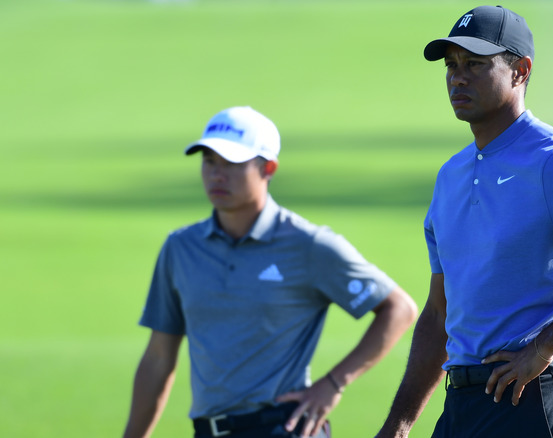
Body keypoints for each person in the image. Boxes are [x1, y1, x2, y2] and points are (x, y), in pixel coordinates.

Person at [376, 5, 553, 438]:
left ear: (519, 71)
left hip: (534, 401)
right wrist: (397, 427)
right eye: (452, 65)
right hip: (464, 407)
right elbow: (440, 314)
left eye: (475, 64)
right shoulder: (451, 175)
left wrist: (544, 345)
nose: (458, 76)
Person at [123, 106, 418, 438]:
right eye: (209, 161)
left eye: (232, 163)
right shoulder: (180, 248)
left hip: (284, 428)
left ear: (268, 168)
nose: (217, 174)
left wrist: (334, 383)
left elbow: (399, 309)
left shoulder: (308, 244)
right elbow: (158, 359)